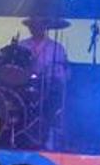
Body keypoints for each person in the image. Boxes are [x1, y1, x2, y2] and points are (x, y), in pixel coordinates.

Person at [19, 16, 70, 148]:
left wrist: (56, 76)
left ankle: (48, 136)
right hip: (24, 86)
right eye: (33, 25)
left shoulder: (56, 48)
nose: (35, 28)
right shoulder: (22, 45)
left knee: (52, 104)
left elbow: (65, 73)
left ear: (45, 27)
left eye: (39, 25)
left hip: (48, 89)